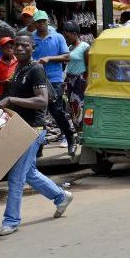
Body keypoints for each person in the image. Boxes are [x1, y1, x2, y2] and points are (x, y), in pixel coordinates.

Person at [0, 34, 73, 236]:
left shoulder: (36, 69)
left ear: (33, 48)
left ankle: (11, 221)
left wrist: (11, 100)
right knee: (28, 172)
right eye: (17, 45)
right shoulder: (18, 68)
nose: (20, 48)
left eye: (25, 45)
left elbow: (42, 101)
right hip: (18, 127)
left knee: (16, 177)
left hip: (33, 129)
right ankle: (60, 196)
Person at [32, 10, 76, 157]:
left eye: (43, 21)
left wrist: (49, 58)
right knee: (38, 114)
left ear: (47, 22)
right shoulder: (31, 38)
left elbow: (67, 57)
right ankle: (38, 147)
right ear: (34, 23)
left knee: (56, 111)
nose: (41, 24)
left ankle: (70, 139)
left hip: (54, 79)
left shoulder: (57, 37)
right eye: (38, 22)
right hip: (37, 79)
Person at [62, 21, 89, 127]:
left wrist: (87, 83)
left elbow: (89, 67)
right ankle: (78, 130)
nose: (66, 38)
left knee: (79, 106)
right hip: (70, 81)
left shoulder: (85, 47)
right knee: (72, 107)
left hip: (80, 81)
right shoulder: (69, 48)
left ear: (75, 34)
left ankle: (82, 130)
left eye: (67, 36)